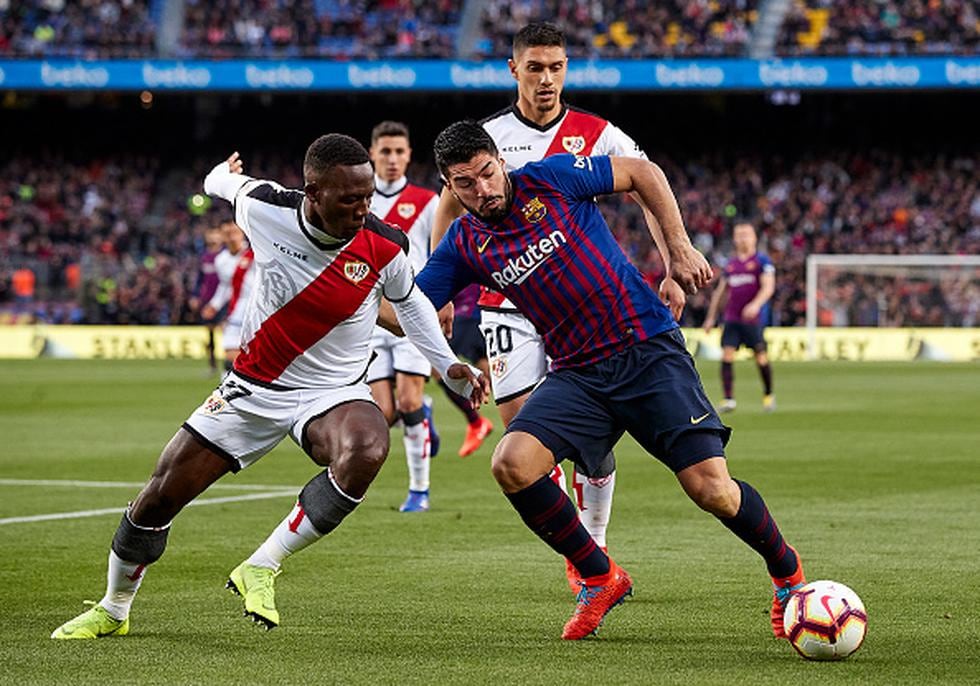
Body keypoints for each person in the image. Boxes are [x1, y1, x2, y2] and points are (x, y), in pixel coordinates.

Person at [51, 135, 488, 639]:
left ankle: (262, 564)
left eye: (367, 197)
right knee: (159, 497)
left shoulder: (385, 243)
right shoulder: (265, 207)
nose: (363, 209)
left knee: (367, 448)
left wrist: (447, 364)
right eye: (350, 199)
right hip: (252, 388)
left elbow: (409, 303)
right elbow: (220, 183)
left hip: (333, 390)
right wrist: (222, 173)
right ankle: (114, 608)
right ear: (313, 193)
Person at [417, 121, 806, 641]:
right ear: (449, 186)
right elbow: (407, 307)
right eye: (465, 183)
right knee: (512, 464)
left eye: (487, 173)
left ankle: (787, 573)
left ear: (500, 162)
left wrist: (678, 249)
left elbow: (643, 173)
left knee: (712, 490)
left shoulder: (552, 178)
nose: (482, 189)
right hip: (578, 374)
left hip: (646, 350)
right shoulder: (465, 243)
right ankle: (601, 576)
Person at [430, 21, 685, 591]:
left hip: (586, 310)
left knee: (590, 444)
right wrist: (442, 291)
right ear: (514, 70)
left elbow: (647, 185)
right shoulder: (484, 138)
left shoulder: (597, 133)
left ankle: (595, 543)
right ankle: (583, 554)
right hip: (506, 304)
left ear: (566, 68)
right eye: (535, 68)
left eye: (556, 67)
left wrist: (673, 260)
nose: (546, 79)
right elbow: (448, 206)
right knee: (524, 437)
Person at [365, 120, 467, 512]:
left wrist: (443, 299)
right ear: (372, 154)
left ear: (409, 155)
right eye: (385, 151)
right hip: (372, 316)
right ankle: (424, 415)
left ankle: (419, 491)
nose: (392, 159)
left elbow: (442, 251)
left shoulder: (427, 202)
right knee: (384, 413)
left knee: (408, 401)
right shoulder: (360, 199)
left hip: (412, 310)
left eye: (399, 152)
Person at [702, 221, 776, 412]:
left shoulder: (762, 262)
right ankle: (728, 399)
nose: (743, 238)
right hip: (732, 318)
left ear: (754, 238)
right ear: (734, 239)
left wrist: (756, 304)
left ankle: (768, 395)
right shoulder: (731, 265)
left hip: (753, 319)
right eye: (739, 235)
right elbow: (720, 293)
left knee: (760, 356)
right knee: (727, 354)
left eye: (746, 234)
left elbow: (768, 287)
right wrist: (711, 317)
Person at [440, 283, 494, 457]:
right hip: (480, 312)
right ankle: (529, 407)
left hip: (467, 313)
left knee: (438, 367)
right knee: (489, 370)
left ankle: (476, 422)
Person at [200, 221, 248, 372]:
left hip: (259, 314)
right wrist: (214, 305)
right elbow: (225, 287)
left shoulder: (255, 254)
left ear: (242, 233)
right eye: (227, 234)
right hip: (237, 313)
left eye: (235, 233)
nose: (232, 237)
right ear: (222, 237)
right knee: (231, 360)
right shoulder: (221, 260)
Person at [188, 225, 224, 373]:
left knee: (228, 332)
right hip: (208, 300)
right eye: (210, 234)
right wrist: (195, 296)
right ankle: (212, 365)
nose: (213, 238)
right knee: (210, 333)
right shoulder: (204, 257)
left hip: (225, 300)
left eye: (216, 234)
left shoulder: (226, 255)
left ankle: (231, 365)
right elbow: (199, 279)